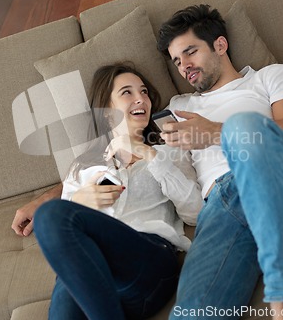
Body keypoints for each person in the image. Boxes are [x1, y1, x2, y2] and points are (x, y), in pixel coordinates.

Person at [156, 4, 283, 320]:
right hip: (222, 210)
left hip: (282, 177)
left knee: (242, 125)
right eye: (177, 61)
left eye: (190, 52)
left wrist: (217, 132)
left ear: (220, 45)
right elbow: (124, 156)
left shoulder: (269, 77)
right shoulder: (178, 107)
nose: (184, 67)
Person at [23, 64, 203, 320]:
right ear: (107, 113)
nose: (141, 98)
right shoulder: (83, 166)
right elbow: (62, 243)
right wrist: (78, 201)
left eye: (143, 92)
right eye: (127, 93)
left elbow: (195, 214)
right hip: (95, 280)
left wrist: (149, 154)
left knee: (50, 214)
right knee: (60, 246)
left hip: (148, 262)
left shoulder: (168, 151)